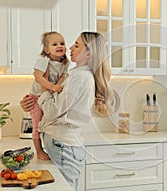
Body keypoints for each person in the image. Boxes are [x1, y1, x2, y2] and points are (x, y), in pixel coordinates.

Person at [20, 32, 117, 191]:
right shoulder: (75, 75)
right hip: (64, 145)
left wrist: (44, 85)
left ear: (88, 53)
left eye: (76, 45)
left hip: (63, 145)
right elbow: (55, 103)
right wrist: (30, 103)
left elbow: (52, 110)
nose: (70, 47)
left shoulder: (79, 77)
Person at [29, 31, 70, 160]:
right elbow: (38, 77)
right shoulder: (44, 61)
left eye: (62, 43)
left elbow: (63, 76)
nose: (59, 46)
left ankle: (49, 147)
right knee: (37, 125)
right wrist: (52, 87)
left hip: (49, 97)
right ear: (46, 50)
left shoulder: (65, 63)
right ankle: (39, 151)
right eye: (55, 44)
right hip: (36, 97)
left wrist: (56, 87)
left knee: (47, 123)